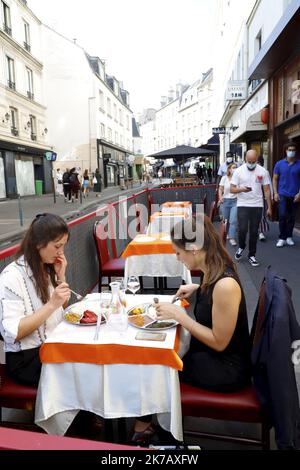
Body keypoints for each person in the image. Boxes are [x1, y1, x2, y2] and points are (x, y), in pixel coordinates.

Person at [131, 215, 252, 442]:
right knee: (159, 358)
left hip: (227, 368)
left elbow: (219, 341)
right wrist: (198, 287)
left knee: (158, 367)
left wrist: (180, 316)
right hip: (213, 356)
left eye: (178, 252)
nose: (177, 258)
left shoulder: (224, 285)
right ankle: (148, 424)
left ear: (194, 249)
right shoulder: (213, 270)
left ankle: (154, 433)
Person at [0, 213, 71, 386]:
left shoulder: (46, 267)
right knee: (80, 374)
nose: (61, 252)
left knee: (91, 359)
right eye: (57, 246)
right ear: (39, 244)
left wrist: (61, 276)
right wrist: (52, 304)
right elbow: (13, 333)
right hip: (26, 359)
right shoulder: (12, 277)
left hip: (51, 346)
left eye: (63, 246)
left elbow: (61, 306)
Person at [230, 149, 272, 267]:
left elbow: (267, 190)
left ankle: (252, 255)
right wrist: (242, 189)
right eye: (249, 161)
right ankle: (241, 246)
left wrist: (269, 207)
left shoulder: (263, 171)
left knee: (254, 232)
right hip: (242, 204)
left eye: (254, 161)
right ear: (245, 159)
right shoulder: (238, 171)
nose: (251, 164)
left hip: (257, 205)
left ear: (257, 160)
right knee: (242, 229)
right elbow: (232, 189)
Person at [272, 142, 300, 247]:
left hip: (295, 194)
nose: (291, 152)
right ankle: (282, 237)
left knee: (291, 217)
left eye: (293, 150)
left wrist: (299, 194)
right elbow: (275, 179)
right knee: (283, 215)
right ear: (286, 151)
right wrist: (275, 193)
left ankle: (289, 236)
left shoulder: (299, 164)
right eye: (290, 150)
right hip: (282, 193)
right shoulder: (279, 164)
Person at [218, 163, 238, 246]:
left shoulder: (238, 179)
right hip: (225, 201)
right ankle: (225, 234)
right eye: (233, 167)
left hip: (235, 201)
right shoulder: (224, 178)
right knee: (225, 220)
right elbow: (220, 189)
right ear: (229, 169)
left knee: (233, 220)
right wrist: (220, 197)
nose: (235, 169)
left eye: (236, 167)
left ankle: (232, 237)